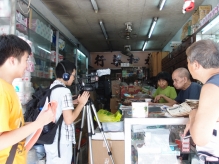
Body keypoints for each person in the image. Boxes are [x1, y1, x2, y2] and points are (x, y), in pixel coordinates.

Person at [0, 34, 55, 163]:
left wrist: (37, 123)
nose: (27, 65)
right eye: (25, 60)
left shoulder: (8, 88)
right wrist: (38, 123)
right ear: (12, 60)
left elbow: (11, 128)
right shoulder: (1, 91)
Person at [44, 60, 90, 164]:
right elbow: (69, 120)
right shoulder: (65, 91)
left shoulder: (52, 88)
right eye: (73, 75)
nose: (74, 78)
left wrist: (73, 102)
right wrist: (81, 104)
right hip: (61, 142)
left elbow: (58, 106)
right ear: (66, 75)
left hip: (51, 140)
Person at [183, 40, 219, 162]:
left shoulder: (212, 87)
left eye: (188, 62)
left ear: (196, 65)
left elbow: (200, 138)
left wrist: (193, 115)